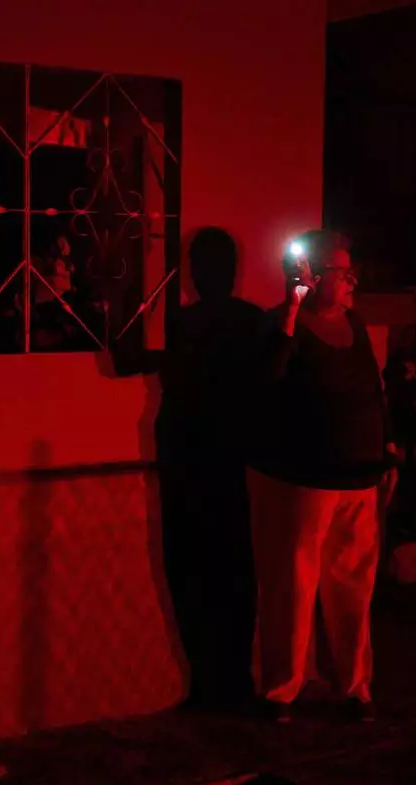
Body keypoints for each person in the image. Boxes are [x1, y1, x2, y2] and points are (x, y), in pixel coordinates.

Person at [246, 229, 398, 723]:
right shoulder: (282, 327)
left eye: (351, 270)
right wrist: (291, 312)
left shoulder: (355, 324)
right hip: (307, 480)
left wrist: (386, 450)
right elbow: (265, 380)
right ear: (312, 275)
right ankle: (281, 690)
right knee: (294, 583)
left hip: (358, 478)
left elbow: (374, 390)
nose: (352, 280)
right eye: (341, 271)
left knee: (353, 586)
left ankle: (353, 687)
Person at [154, 227, 264, 712]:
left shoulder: (181, 323)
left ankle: (209, 681)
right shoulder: (250, 322)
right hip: (228, 461)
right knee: (233, 574)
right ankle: (232, 681)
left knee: (194, 572)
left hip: (189, 461)